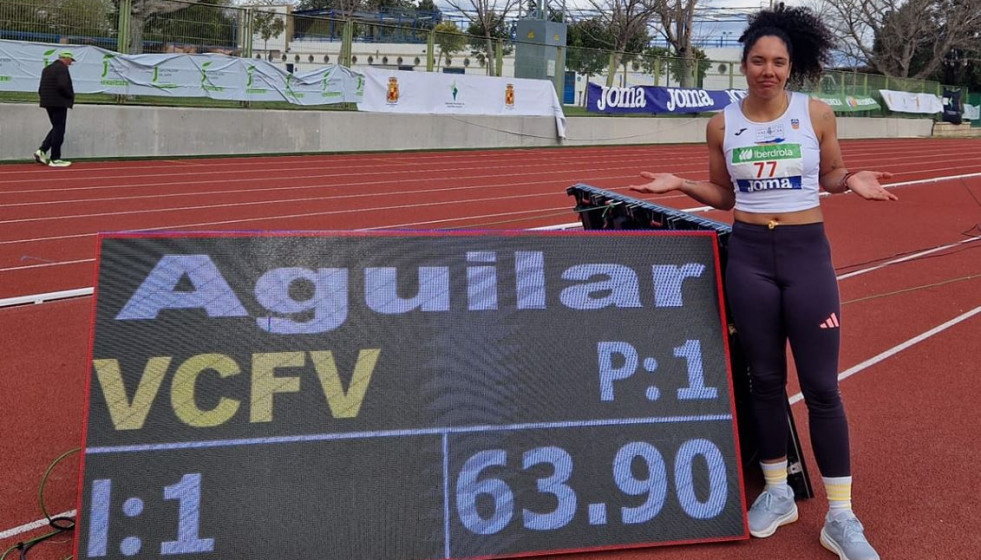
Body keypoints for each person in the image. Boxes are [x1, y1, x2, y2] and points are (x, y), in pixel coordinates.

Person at [628, 4, 896, 560]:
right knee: (765, 382)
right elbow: (725, 196)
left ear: (790, 66)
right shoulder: (721, 124)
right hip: (749, 256)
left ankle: (841, 517)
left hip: (805, 257)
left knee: (822, 387)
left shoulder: (816, 114)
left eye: (777, 61)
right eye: (757, 60)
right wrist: (680, 183)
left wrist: (853, 180)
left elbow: (830, 174)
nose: (767, 70)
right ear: (743, 64)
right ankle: (778, 494)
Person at [35, 50, 76, 168]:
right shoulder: (62, 69)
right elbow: (63, 85)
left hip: (48, 102)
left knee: (56, 127)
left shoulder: (47, 69)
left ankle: (42, 150)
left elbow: (41, 88)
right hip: (59, 102)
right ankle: (55, 158)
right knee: (59, 129)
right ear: (66, 59)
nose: (70, 64)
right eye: (70, 61)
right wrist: (70, 96)